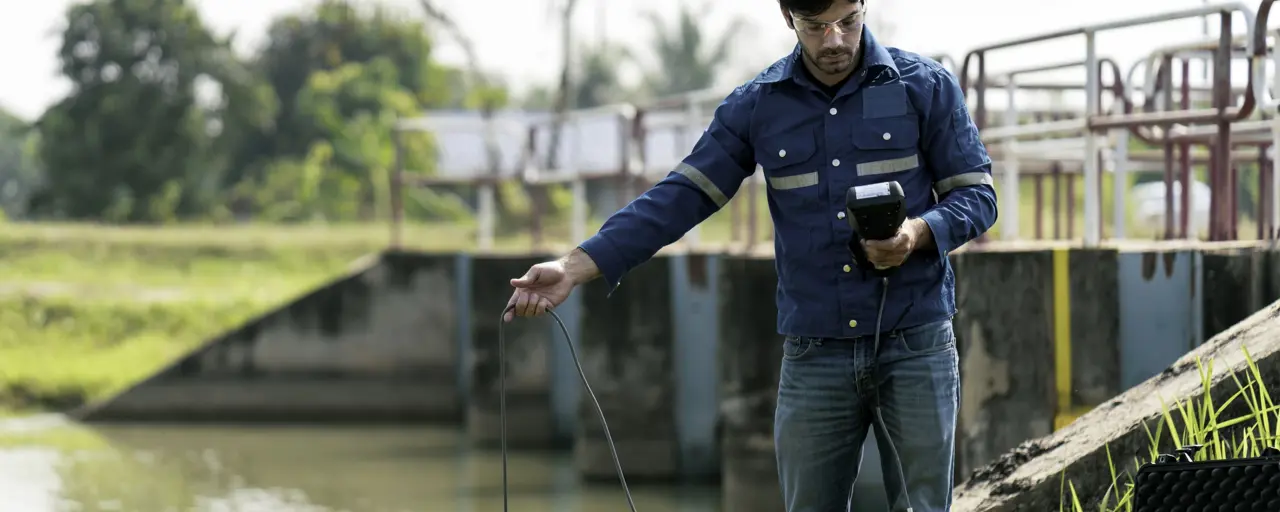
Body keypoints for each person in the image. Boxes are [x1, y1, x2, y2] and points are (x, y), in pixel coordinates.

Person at [503, 0, 997, 509]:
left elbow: (978, 196)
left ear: (864, 8)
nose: (834, 41)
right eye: (816, 27)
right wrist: (573, 266)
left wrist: (916, 234)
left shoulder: (925, 86)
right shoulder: (759, 104)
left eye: (847, 22)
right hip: (815, 353)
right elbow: (681, 196)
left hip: (915, 343)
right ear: (789, 18)